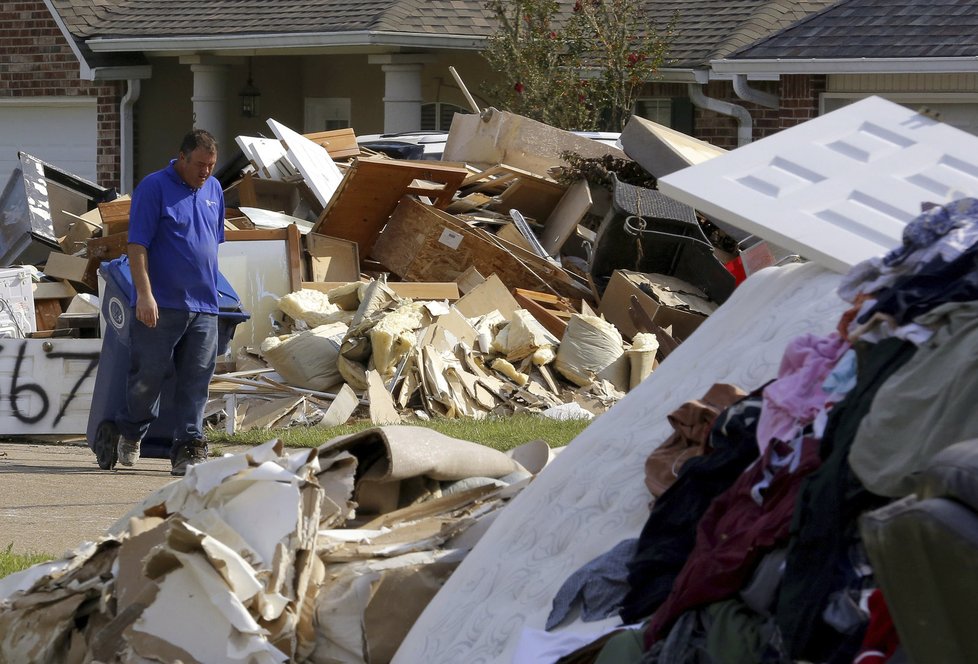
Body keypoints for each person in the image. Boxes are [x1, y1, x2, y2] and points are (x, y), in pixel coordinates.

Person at [112, 128, 225, 476]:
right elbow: (137, 246)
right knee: (148, 378)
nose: (206, 172)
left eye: (211, 165)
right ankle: (131, 432)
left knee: (197, 381)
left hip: (205, 305)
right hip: (161, 304)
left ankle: (188, 447)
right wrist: (144, 294)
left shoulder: (214, 190)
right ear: (181, 157)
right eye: (200, 165)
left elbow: (211, 243)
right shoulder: (154, 187)